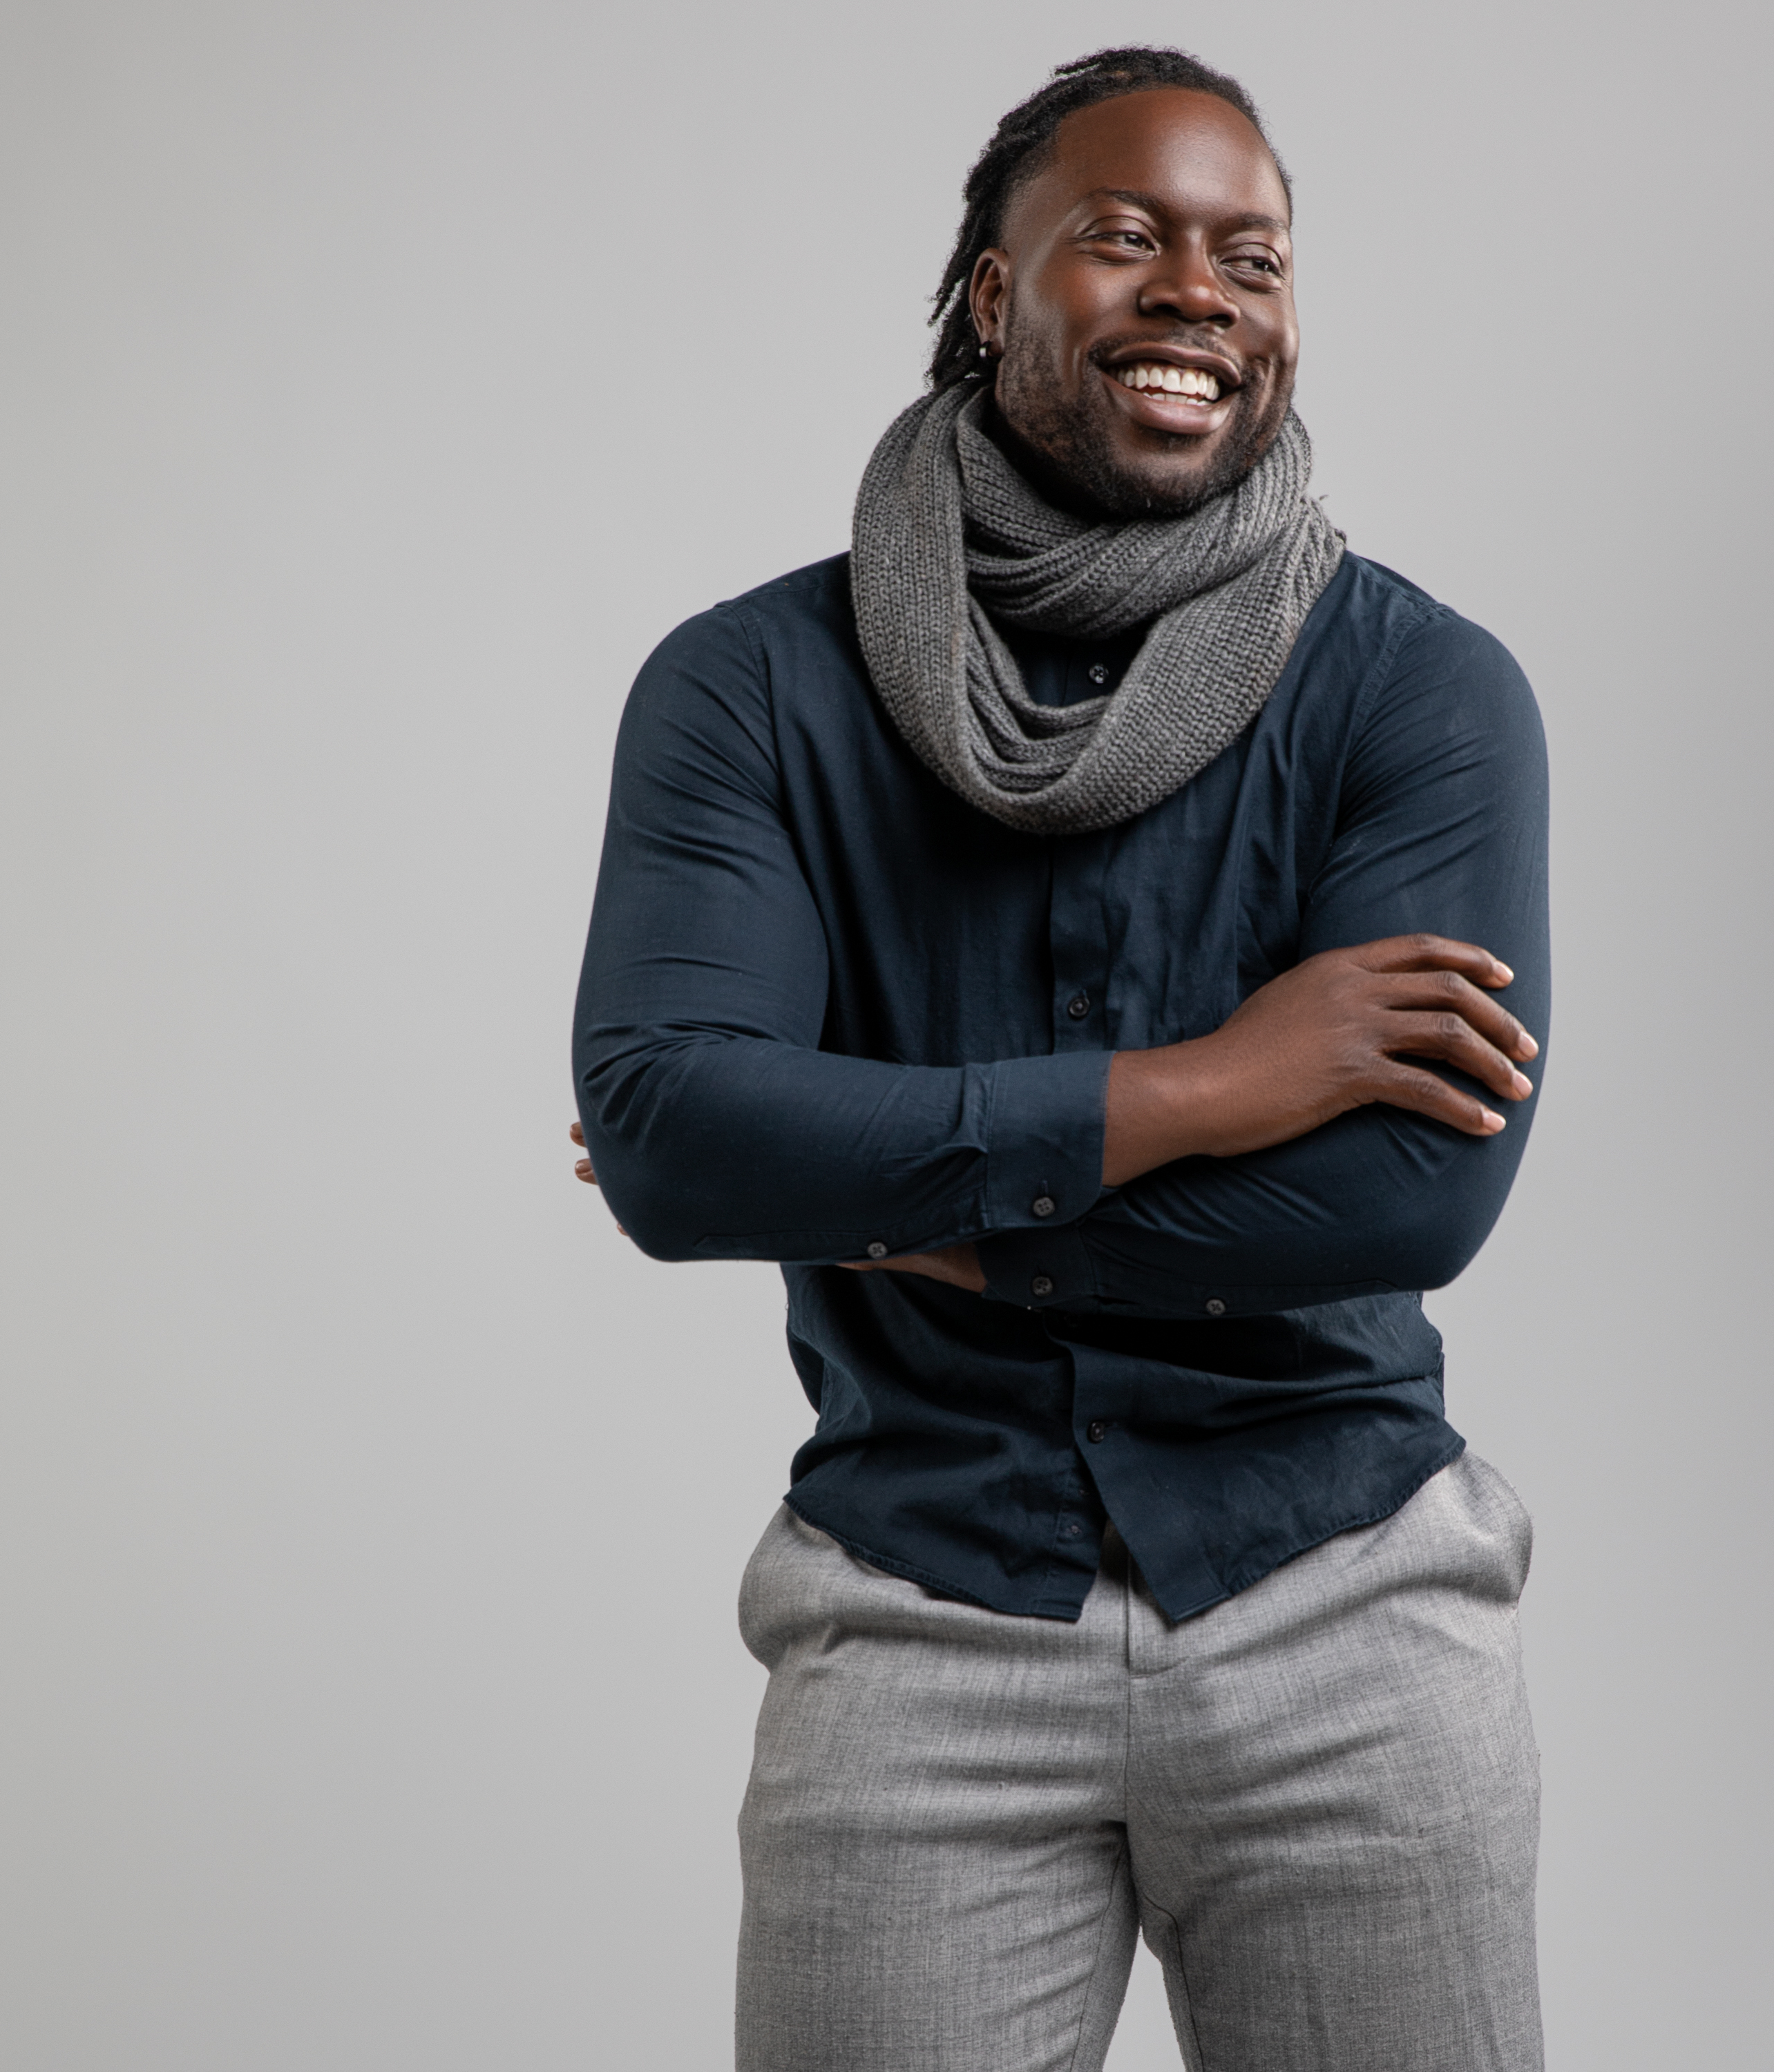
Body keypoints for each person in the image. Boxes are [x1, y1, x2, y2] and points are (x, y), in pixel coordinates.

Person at [572, 46, 1549, 2072]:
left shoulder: (1421, 692)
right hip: (916, 1610)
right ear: (992, 292)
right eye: (1126, 237)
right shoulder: (750, 691)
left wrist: (891, 1207)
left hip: (1352, 1611)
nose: (1201, 291)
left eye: (1253, 258)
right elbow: (674, 1133)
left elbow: (1407, 1195)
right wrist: (1213, 1089)